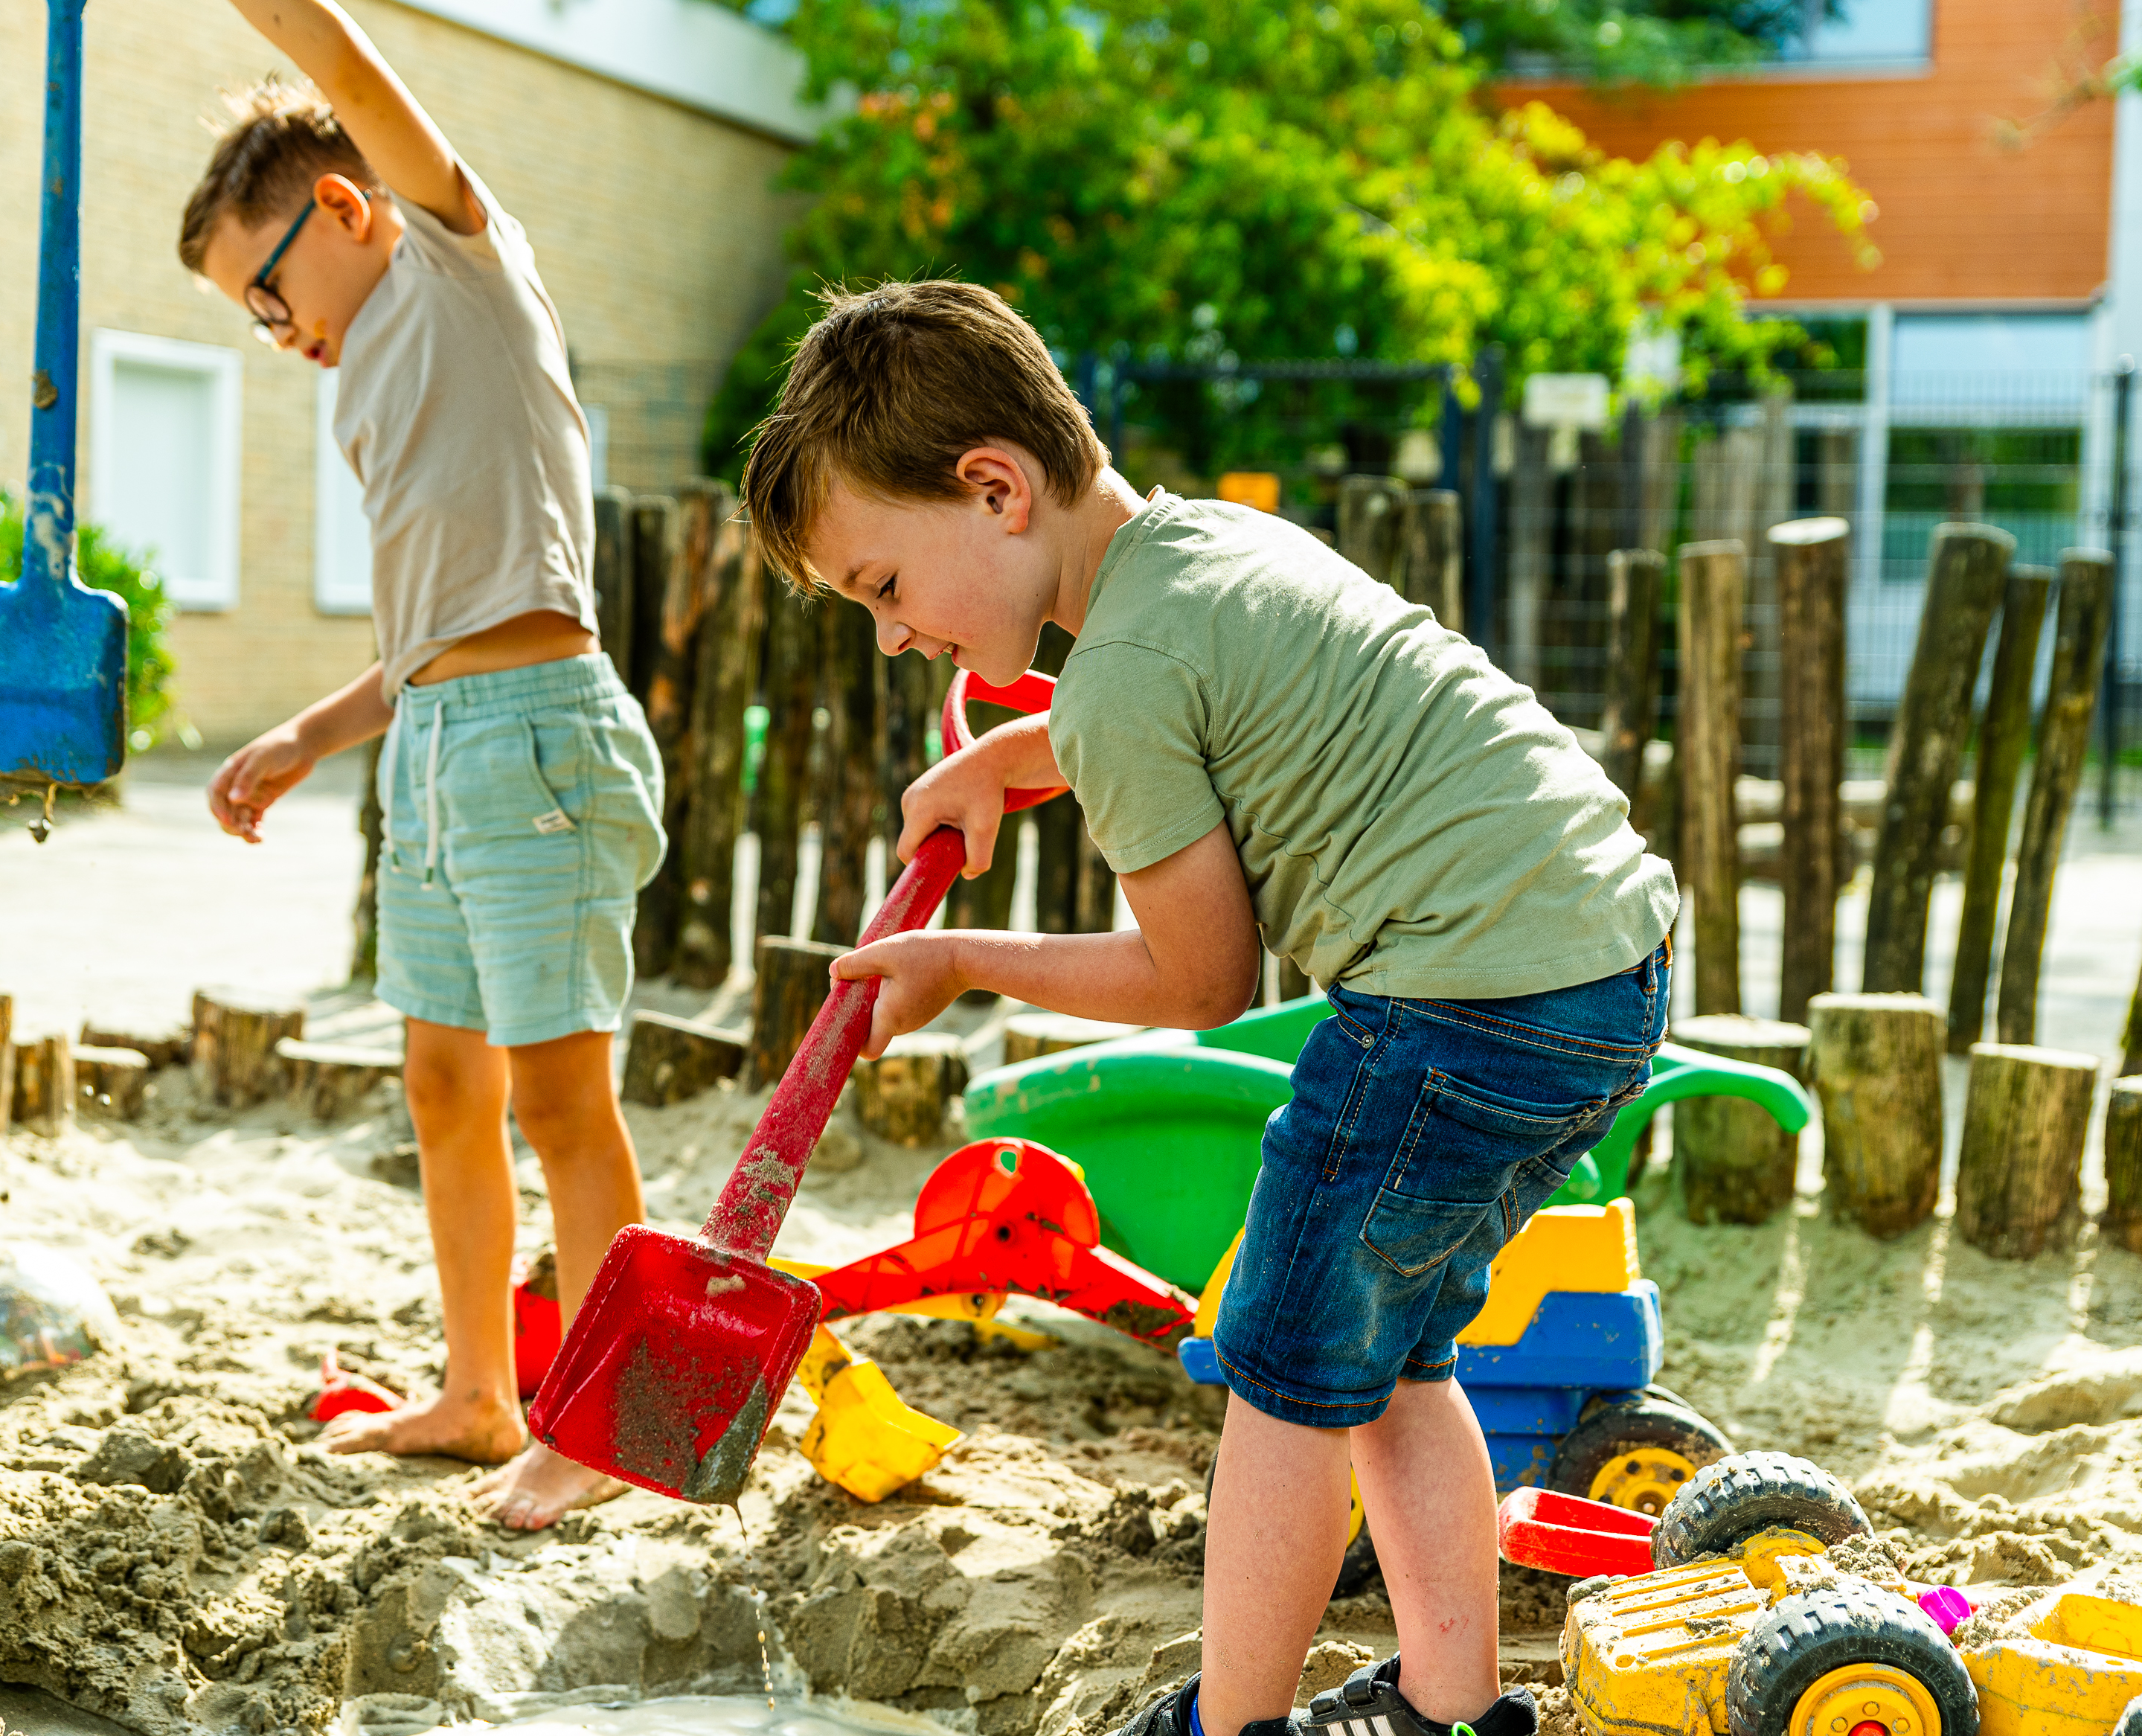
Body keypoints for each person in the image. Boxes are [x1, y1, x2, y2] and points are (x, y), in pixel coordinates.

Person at [737, 281, 1677, 1736]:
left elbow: (1197, 982)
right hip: (1595, 967)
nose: (892, 635)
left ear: (994, 489)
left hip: (1454, 998)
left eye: (883, 586)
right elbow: (1215, 698)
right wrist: (1012, 756)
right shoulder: (1207, 546)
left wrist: (964, 959)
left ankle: (1226, 1724)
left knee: (1282, 1367)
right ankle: (1449, 1709)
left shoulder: (1118, 680)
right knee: (1392, 1357)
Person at [180, 0, 664, 1532]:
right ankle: (479, 1392)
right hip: (442, 752)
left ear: (342, 207)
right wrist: (312, 734)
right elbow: (430, 634)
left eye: (268, 296)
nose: (278, 336)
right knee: (445, 1084)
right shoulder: (366, 376)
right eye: (252, 323)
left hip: (539, 743)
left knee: (563, 1100)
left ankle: (605, 1422)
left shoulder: (461, 264)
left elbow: (343, 67)